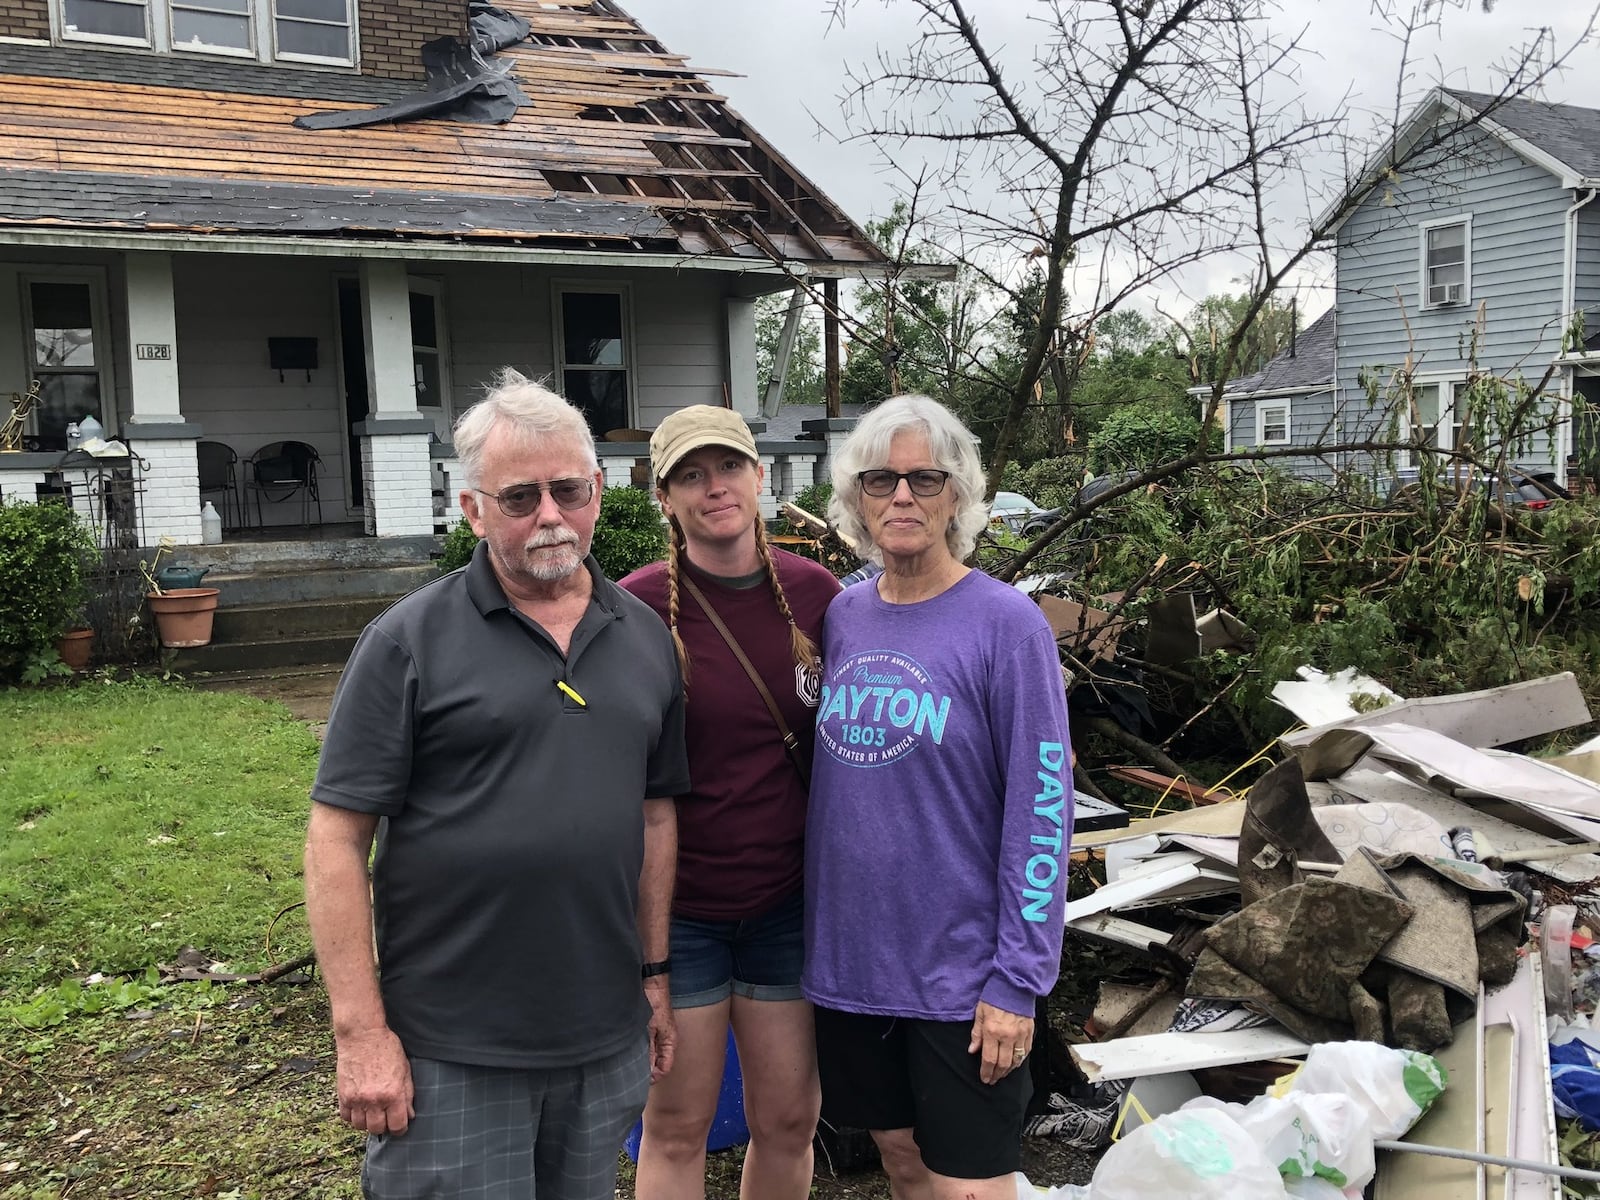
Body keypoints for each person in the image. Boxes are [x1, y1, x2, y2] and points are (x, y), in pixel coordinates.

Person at [303, 368, 689, 1200]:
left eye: (569, 490)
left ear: (599, 491)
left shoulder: (645, 639)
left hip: (601, 1034)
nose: (551, 516)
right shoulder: (406, 643)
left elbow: (656, 817)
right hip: (453, 1046)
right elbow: (336, 839)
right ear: (473, 509)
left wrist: (653, 978)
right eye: (520, 498)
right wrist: (360, 1034)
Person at [805, 395, 1073, 1200]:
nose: (902, 498)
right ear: (856, 497)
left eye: (926, 479)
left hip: (962, 972)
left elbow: (1044, 810)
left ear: (958, 495)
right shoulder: (843, 617)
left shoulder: (1007, 625)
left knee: (971, 1184)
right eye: (881, 479)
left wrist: (1018, 981)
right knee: (898, 1156)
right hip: (855, 965)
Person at [619, 405, 838, 1200]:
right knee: (675, 1129)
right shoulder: (633, 610)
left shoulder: (818, 595)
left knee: (788, 1121)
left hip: (787, 906)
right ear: (665, 497)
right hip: (680, 917)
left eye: (729, 467)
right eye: (691, 475)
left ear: (760, 476)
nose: (715, 487)